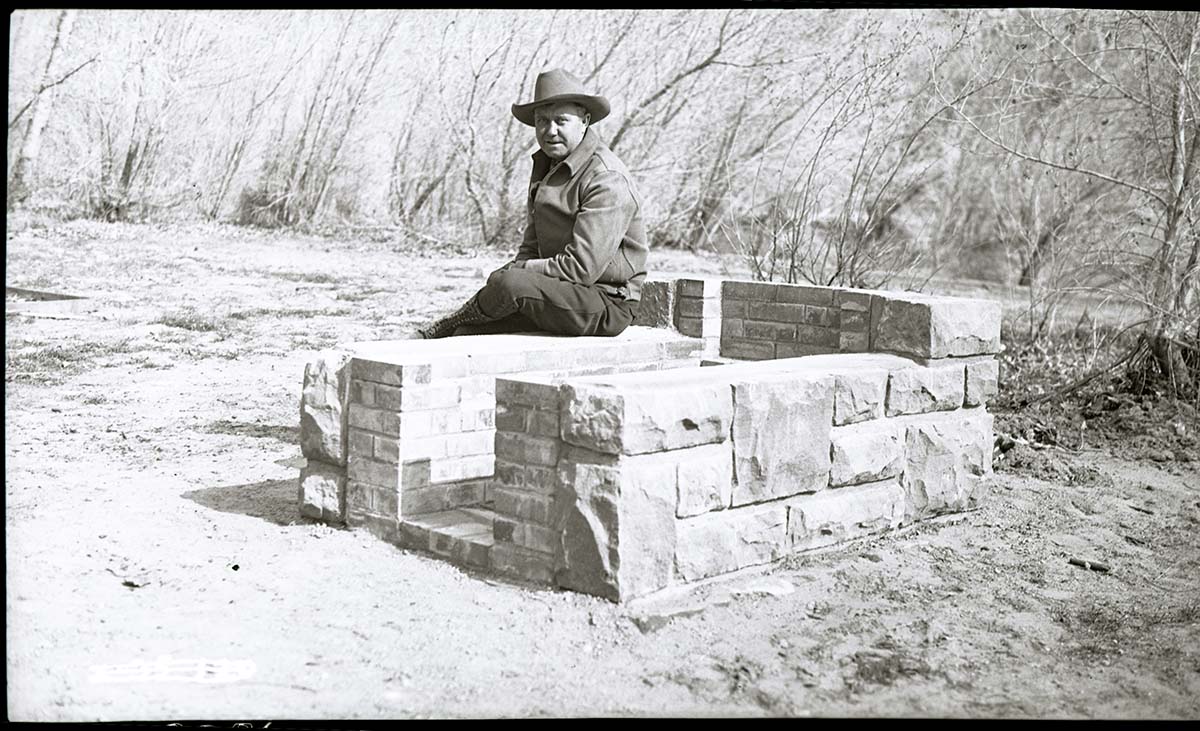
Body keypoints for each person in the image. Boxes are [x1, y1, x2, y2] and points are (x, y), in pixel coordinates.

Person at [416, 68, 647, 339]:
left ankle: (447, 323)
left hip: (605, 302)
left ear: (584, 121)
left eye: (561, 121)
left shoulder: (606, 178)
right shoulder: (547, 167)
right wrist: (516, 270)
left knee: (510, 284)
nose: (550, 131)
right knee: (470, 329)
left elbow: (581, 269)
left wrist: (519, 272)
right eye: (542, 121)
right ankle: (457, 326)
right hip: (558, 290)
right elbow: (531, 246)